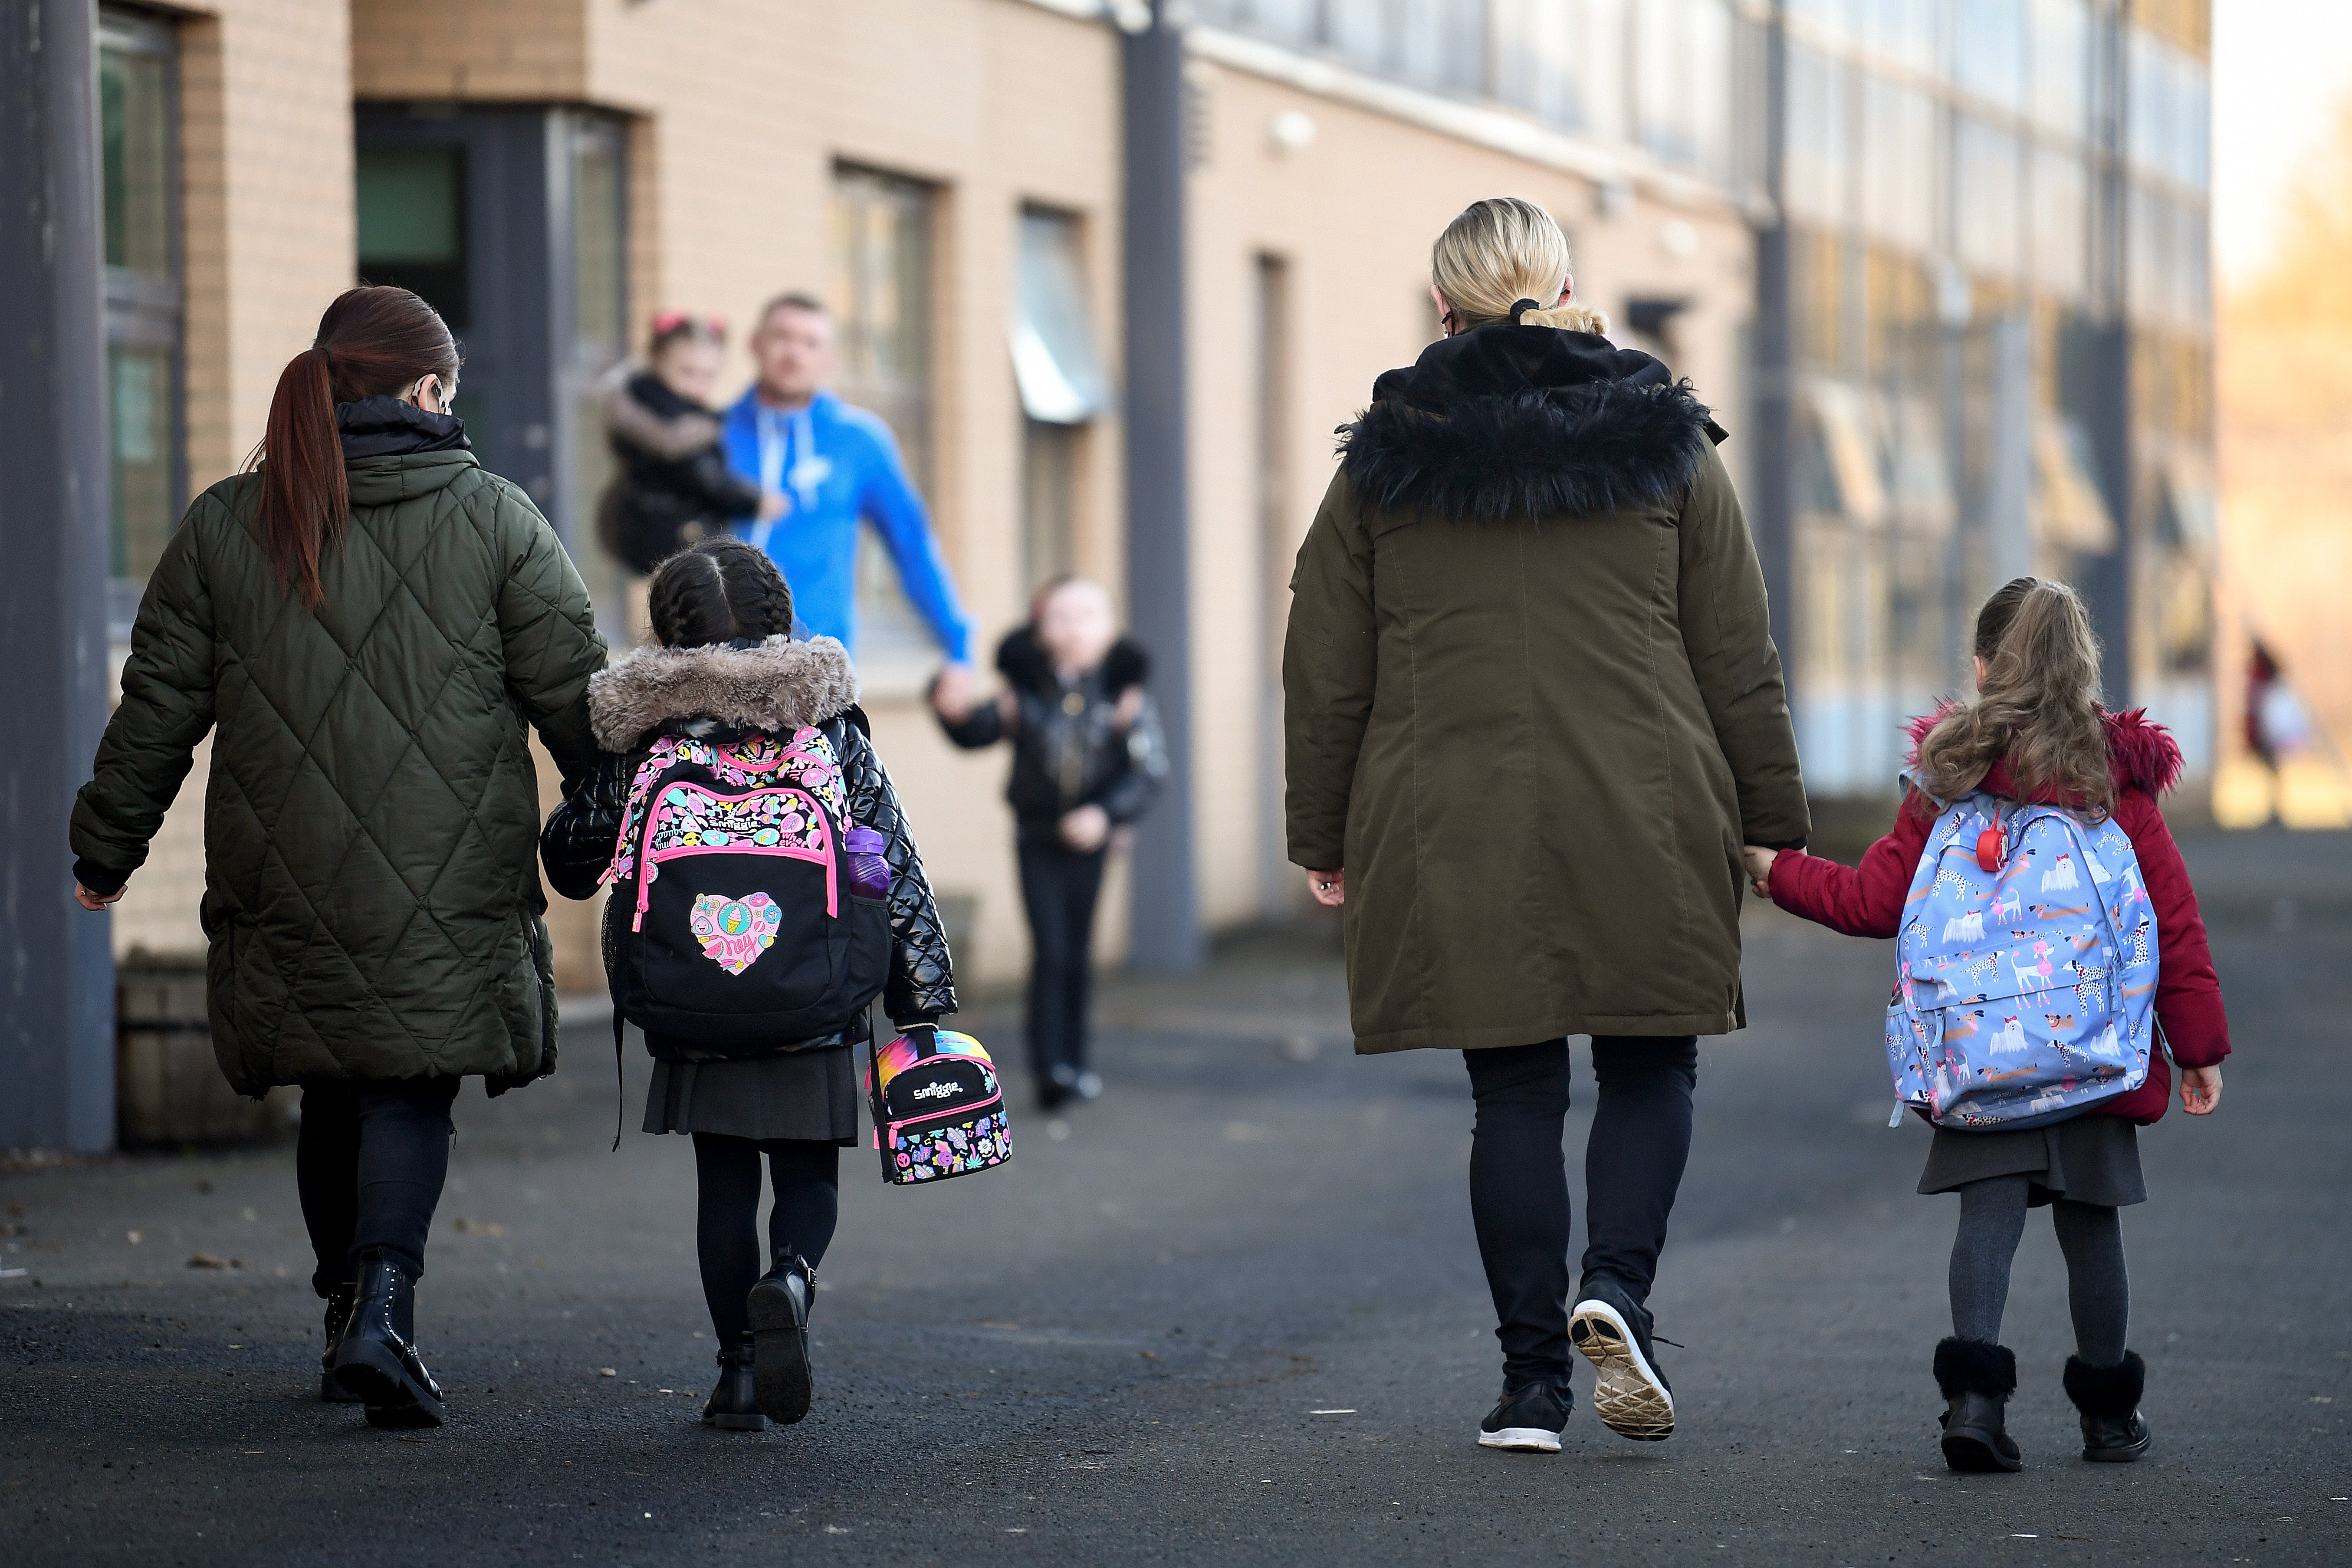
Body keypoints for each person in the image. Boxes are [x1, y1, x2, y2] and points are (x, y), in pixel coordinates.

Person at [1282, 197, 1808, 1454]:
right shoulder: (1665, 440)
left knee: (1509, 1090)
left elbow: (1324, 658)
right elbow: (1734, 644)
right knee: (1647, 1062)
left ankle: (1530, 1385)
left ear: (1439, 306)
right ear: (1570, 287)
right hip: (1646, 796)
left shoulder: (1386, 458)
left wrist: (1321, 831)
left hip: (1446, 810)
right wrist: (1768, 819)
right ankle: (1611, 1288)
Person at [68, 285, 608, 1429]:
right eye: (448, 388)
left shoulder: (230, 522)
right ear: (423, 390)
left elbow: (156, 704)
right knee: (410, 1082)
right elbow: (578, 697)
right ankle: (384, 1305)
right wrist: (627, 822)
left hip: (286, 859)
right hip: (449, 864)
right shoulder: (497, 516)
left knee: (330, 1080)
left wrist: (107, 848)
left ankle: (341, 1312)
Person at [1745, 577, 2229, 1472]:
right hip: (2091, 1052)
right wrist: (2195, 1047)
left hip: (1977, 1051)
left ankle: (1975, 1402)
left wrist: (1776, 871)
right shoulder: (2111, 782)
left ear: (1979, 667)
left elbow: (1871, 900)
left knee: (1988, 1219)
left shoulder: (1947, 777)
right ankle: (2108, 1416)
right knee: (2092, 1226)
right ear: (2082, 670)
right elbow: (2172, 920)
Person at [539, 537, 958, 1431]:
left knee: (723, 1184)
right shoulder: (829, 728)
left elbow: (572, 863)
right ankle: (793, 1278)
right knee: (807, 1176)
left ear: (668, 634)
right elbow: (898, 870)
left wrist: (601, 777)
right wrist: (921, 1003)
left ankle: (735, 1374)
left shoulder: (649, 736)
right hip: (813, 988)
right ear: (781, 620)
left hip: (694, 998)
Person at [931, 577, 1165, 1110]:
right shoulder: (1026, 690)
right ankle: (1048, 1068)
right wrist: (950, 712)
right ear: (1040, 631)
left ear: (1109, 627)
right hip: (1036, 837)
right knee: (1050, 950)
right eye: (1059, 617)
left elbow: (1149, 769)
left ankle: (1077, 1061)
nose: (1073, 628)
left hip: (1091, 841)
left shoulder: (1123, 692)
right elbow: (978, 729)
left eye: (1086, 615)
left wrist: (1105, 815)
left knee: (1077, 954)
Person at [720, 293, 976, 711]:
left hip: (820, 673)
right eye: (782, 337)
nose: (794, 353)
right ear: (755, 343)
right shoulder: (712, 436)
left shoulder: (860, 441)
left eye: (811, 342)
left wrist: (958, 647)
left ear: (830, 358)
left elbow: (911, 545)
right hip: (718, 668)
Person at [594, 311, 783, 642]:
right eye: (686, 372)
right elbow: (708, 481)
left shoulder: (647, 405)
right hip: (670, 531)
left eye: (709, 375)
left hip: (648, 524)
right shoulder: (674, 424)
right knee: (684, 617)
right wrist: (756, 501)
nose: (698, 386)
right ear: (656, 361)